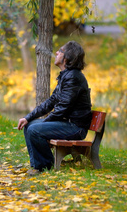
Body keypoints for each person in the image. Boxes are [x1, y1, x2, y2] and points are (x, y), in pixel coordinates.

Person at [17, 41, 93, 176]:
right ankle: (37, 165)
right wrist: (27, 117)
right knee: (30, 125)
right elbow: (51, 102)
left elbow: (63, 108)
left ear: (67, 57)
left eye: (60, 50)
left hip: (76, 127)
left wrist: (44, 123)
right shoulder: (66, 75)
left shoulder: (73, 77)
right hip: (68, 123)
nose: (56, 53)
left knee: (35, 129)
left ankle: (44, 166)